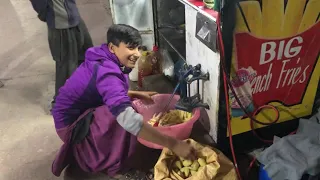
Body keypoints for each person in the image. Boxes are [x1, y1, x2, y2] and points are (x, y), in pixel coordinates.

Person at [51, 24, 196, 179]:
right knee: (123, 117)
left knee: (126, 106)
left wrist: (134, 94)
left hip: (80, 112)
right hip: (71, 126)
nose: (137, 54)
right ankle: (113, 166)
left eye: (139, 48)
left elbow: (102, 90)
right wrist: (174, 144)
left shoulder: (102, 56)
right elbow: (128, 120)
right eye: (130, 48)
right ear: (113, 47)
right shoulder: (107, 71)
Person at [29, 0, 93, 108]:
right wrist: (51, 15)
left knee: (86, 55)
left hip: (74, 17)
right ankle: (61, 105)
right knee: (66, 68)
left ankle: (84, 91)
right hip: (61, 26)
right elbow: (39, 5)